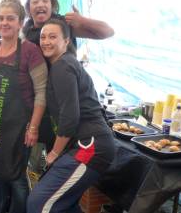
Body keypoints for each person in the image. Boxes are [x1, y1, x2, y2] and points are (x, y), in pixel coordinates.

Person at [23, 0, 114, 173]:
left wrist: (82, 20)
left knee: (59, 161)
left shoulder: (65, 25)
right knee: (38, 164)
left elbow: (108, 31)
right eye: (35, 1)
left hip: (67, 103)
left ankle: (48, 195)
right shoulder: (27, 33)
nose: (40, 4)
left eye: (45, 0)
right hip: (42, 105)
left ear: (52, 5)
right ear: (29, 8)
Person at [27, 19, 115, 213]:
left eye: (53, 36)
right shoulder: (64, 64)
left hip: (90, 146)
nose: (46, 41)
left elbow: (70, 115)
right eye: (43, 37)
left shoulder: (63, 66)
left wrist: (54, 153)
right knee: (64, 205)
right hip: (89, 143)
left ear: (66, 41)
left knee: (39, 204)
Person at [0, 0, 48, 213]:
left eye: (10, 18)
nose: (4, 23)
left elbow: (41, 93)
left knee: (17, 178)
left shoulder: (30, 50)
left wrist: (33, 127)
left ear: (20, 22)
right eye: (0, 18)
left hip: (21, 128)